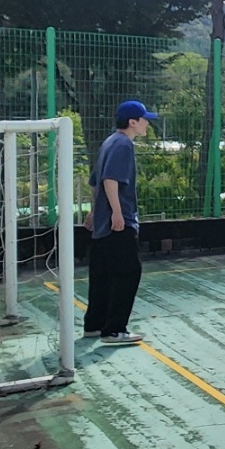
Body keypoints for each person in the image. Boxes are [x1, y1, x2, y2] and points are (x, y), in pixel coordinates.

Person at [83, 100, 156, 345]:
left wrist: (94, 212)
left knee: (102, 275)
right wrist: (116, 213)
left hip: (104, 224)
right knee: (128, 272)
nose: (147, 124)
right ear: (133, 122)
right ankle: (114, 330)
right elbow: (110, 179)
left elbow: (96, 181)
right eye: (144, 120)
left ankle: (94, 325)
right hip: (118, 222)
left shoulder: (109, 142)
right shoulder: (123, 144)